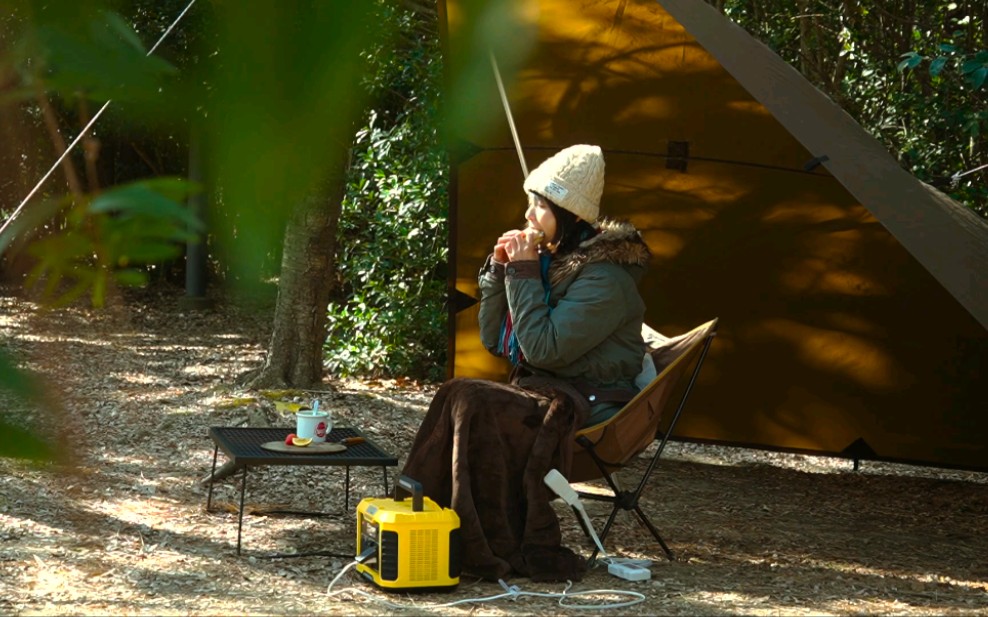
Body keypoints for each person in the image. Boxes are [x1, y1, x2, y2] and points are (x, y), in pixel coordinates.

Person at [400, 144, 652, 583]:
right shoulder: (555, 262)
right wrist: (500, 274)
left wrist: (522, 273)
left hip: (587, 402)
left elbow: (544, 350)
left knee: (467, 395)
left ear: (570, 214)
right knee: (460, 392)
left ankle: (473, 542)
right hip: (546, 389)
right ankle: (424, 524)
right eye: (530, 202)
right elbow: (494, 339)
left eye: (540, 205)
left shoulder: (606, 279)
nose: (529, 215)